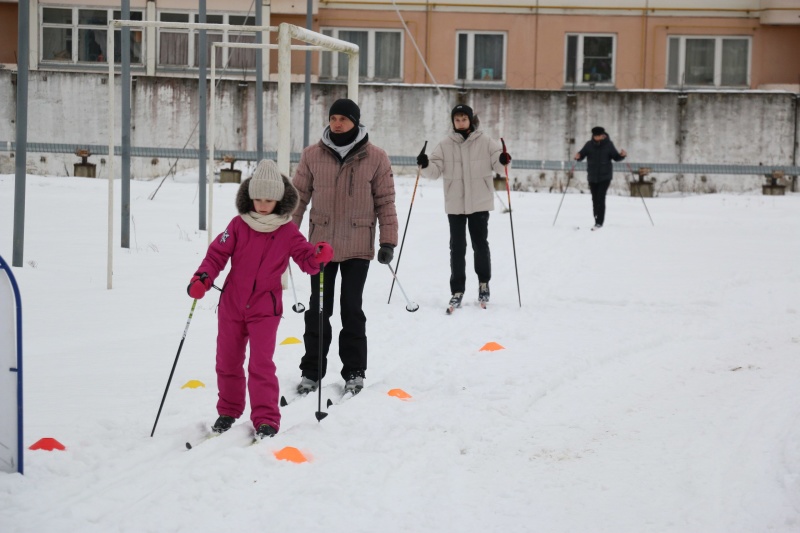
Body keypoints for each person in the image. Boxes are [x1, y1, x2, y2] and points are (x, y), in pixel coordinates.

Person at [187, 159, 333, 440]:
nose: (262, 205)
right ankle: (228, 410)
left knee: (261, 363)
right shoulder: (238, 225)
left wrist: (317, 256)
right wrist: (203, 277)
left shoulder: (287, 229)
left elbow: (306, 260)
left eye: (268, 199)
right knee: (227, 360)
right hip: (232, 302)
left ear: (278, 199)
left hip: (266, 306)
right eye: (257, 199)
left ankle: (266, 418)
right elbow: (217, 254)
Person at [292, 98, 398, 395]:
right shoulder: (312, 155)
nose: (337, 123)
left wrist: (387, 240)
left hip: (357, 246)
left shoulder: (376, 157)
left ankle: (354, 370)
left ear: (355, 121)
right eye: (333, 117)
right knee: (318, 309)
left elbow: (385, 202)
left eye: (343, 118)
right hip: (320, 247)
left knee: (351, 309)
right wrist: (286, 234)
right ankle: (311, 371)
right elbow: (297, 197)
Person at [416, 104, 511, 310]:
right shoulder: (445, 144)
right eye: (457, 120)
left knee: (480, 245)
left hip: (479, 202)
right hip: (455, 203)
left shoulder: (486, 142)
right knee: (457, 248)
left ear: (471, 120)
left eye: (464, 119)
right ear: (453, 122)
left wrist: (504, 160)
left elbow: (500, 166)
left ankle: (484, 283)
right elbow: (434, 171)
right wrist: (425, 164)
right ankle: (457, 289)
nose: (460, 123)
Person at [574, 126, 627, 230]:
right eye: (597, 136)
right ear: (594, 136)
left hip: (605, 176)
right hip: (592, 177)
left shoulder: (608, 145)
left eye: (600, 135)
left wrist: (622, 155)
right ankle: (596, 219)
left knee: (601, 198)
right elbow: (581, 155)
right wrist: (578, 156)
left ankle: (599, 222)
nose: (599, 137)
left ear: (603, 135)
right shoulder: (589, 145)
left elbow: (616, 157)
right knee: (594, 199)